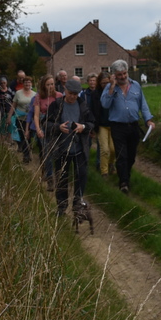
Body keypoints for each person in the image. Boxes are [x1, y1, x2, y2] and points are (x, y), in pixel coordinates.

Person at [101, 59, 155, 194]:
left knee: (131, 156)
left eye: (124, 73)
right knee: (121, 155)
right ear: (114, 75)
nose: (123, 77)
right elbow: (105, 105)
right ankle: (123, 183)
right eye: (119, 74)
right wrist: (112, 87)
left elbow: (143, 104)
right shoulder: (109, 88)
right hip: (118, 127)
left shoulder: (135, 85)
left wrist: (148, 119)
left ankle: (126, 175)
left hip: (133, 126)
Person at [43, 78, 94, 217]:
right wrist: (58, 127)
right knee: (62, 178)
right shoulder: (56, 105)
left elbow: (91, 123)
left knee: (81, 175)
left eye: (76, 94)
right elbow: (46, 124)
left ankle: (77, 205)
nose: (73, 96)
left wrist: (82, 127)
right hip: (61, 149)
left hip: (79, 148)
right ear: (65, 91)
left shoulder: (83, 105)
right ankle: (61, 207)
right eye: (71, 93)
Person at [33, 74, 60, 190]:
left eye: (52, 84)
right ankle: (50, 179)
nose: (50, 86)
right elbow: (36, 115)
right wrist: (38, 129)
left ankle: (59, 176)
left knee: (57, 152)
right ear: (44, 85)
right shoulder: (39, 97)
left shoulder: (59, 96)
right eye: (48, 84)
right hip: (44, 126)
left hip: (56, 126)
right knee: (47, 153)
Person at [90, 72, 115, 175]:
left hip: (113, 124)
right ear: (99, 83)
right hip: (101, 125)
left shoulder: (114, 92)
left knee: (113, 149)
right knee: (104, 149)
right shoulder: (95, 94)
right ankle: (104, 171)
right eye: (103, 83)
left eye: (107, 82)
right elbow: (92, 110)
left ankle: (111, 163)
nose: (105, 85)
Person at [10, 76, 35, 163]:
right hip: (20, 118)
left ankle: (27, 154)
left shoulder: (34, 94)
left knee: (28, 137)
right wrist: (9, 116)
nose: (27, 84)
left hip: (30, 119)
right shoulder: (18, 93)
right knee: (23, 137)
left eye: (29, 82)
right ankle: (26, 155)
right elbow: (14, 105)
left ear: (31, 84)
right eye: (26, 82)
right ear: (23, 83)